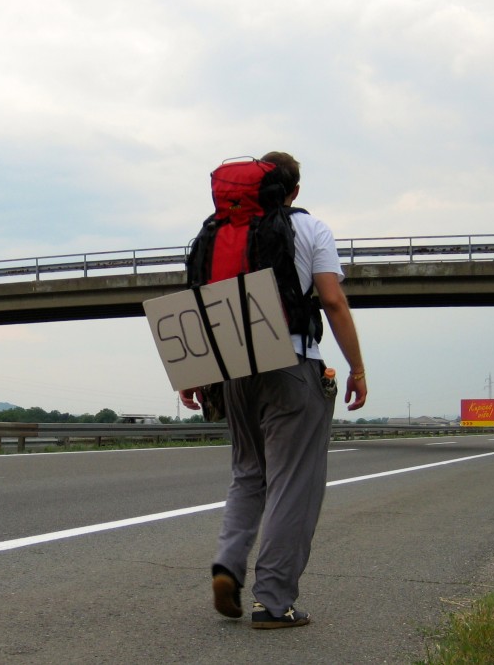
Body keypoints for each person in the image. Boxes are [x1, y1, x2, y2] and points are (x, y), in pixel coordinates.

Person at [180, 151, 367, 629]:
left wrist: (196, 374)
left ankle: (227, 563)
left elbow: (204, 302)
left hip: (234, 370)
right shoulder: (311, 230)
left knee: (248, 473)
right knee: (293, 482)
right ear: (295, 190)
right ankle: (273, 601)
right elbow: (332, 300)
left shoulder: (217, 232)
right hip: (293, 365)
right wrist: (357, 368)